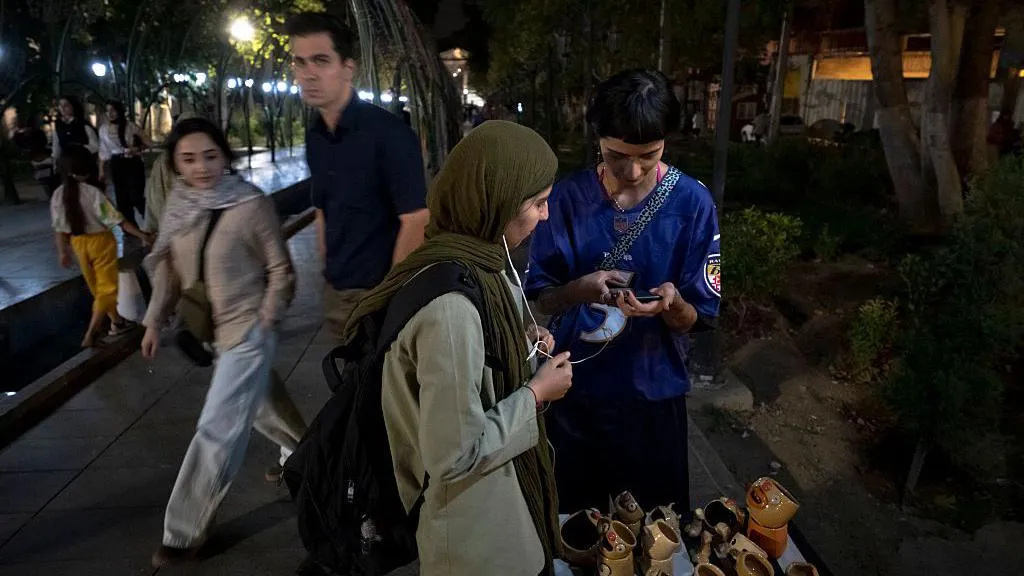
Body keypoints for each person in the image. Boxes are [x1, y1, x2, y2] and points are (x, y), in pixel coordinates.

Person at [343, 121, 572, 575]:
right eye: (537, 203)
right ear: (496, 201)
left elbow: (487, 347)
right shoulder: (451, 307)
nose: (545, 216)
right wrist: (536, 394)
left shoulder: (485, 259)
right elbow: (455, 455)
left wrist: (525, 339)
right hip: (475, 539)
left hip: (502, 509)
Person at [525, 69, 721, 515]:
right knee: (575, 527)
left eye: (648, 156)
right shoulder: (567, 199)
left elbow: (699, 317)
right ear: (597, 138)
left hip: (654, 399)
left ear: (666, 143)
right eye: (616, 156)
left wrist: (673, 306)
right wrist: (578, 289)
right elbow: (540, 298)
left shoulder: (692, 203)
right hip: (574, 394)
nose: (632, 171)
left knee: (658, 531)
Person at [140, 118, 308, 568]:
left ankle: (184, 533)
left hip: (248, 331)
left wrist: (266, 318)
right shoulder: (179, 204)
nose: (201, 168)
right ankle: (314, 458)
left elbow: (280, 269)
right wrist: (154, 321)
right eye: (189, 159)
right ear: (174, 163)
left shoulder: (250, 205)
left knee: (217, 428)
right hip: (211, 333)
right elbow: (170, 269)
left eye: (210, 156)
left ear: (225, 155)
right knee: (262, 408)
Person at [287, 12, 429, 342]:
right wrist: (327, 269)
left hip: (376, 294)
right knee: (347, 388)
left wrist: (388, 300)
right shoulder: (316, 135)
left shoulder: (388, 134)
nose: (308, 74)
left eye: (321, 61)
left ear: (348, 68)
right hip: (336, 289)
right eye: (300, 62)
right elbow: (323, 206)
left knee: (378, 391)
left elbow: (417, 219)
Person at [50, 146, 150, 347]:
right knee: (107, 288)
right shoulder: (92, 193)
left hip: (78, 244)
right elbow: (118, 221)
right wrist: (142, 235)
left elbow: (59, 229)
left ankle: (117, 322)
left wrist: (62, 251)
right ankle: (90, 333)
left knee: (96, 286)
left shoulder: (58, 194)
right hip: (101, 242)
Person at [99, 100, 149, 227]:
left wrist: (137, 149)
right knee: (122, 198)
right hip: (117, 163)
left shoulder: (130, 126)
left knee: (137, 196)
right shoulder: (104, 129)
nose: (110, 113)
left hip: (133, 162)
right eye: (108, 110)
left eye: (113, 110)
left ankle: (150, 222)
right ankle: (131, 228)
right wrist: (101, 170)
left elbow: (146, 142)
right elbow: (103, 152)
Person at [52, 95, 100, 186]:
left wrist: (80, 148)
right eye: (60, 105)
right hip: (66, 165)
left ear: (73, 106)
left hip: (83, 165)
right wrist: (55, 163)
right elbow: (56, 146)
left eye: (66, 105)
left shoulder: (83, 124)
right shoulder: (58, 125)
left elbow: (95, 146)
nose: (62, 108)